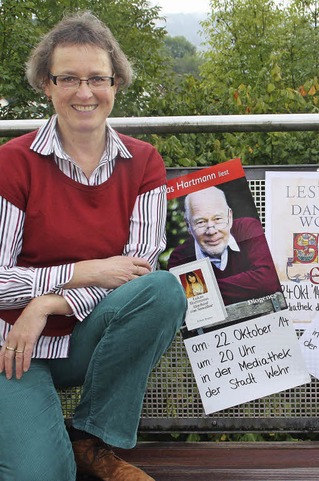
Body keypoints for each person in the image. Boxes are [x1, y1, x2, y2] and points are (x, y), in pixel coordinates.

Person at [0, 12, 187, 481]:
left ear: (116, 83)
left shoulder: (143, 163)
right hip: (11, 345)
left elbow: (137, 276)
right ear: (47, 85)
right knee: (40, 475)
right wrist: (84, 271)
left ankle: (93, 439)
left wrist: (48, 302)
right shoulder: (12, 162)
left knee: (163, 290)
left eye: (97, 79)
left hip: (81, 339)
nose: (85, 93)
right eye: (69, 79)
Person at [167, 185, 281, 305]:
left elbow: (268, 281)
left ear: (229, 217)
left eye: (217, 219)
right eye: (200, 222)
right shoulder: (180, 258)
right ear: (188, 226)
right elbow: (182, 301)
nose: (211, 231)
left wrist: (203, 290)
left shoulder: (247, 230)